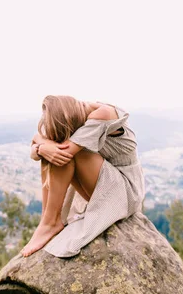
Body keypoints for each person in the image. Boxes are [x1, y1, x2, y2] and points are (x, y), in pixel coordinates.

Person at [21, 95, 145, 258]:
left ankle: (51, 223)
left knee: (64, 154)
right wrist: (40, 149)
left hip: (126, 192)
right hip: (104, 186)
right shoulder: (81, 113)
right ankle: (47, 219)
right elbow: (38, 142)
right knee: (53, 153)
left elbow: (63, 150)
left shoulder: (103, 114)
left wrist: (42, 146)